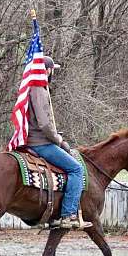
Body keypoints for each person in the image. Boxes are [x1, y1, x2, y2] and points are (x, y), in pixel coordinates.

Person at [27, 56, 91, 229]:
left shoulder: (32, 87)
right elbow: (45, 124)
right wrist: (59, 140)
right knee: (76, 169)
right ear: (47, 70)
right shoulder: (39, 89)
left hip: (34, 139)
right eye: (52, 69)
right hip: (40, 142)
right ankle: (67, 215)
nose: (52, 72)